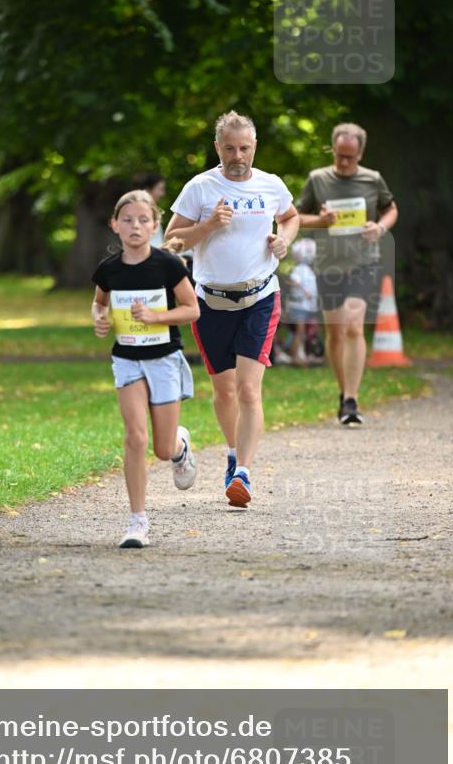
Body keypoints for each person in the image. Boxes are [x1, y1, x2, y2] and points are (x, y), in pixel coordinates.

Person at [164, 110, 299, 508]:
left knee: (247, 389)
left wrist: (284, 240)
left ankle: (243, 471)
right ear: (217, 148)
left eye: (244, 148)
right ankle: (232, 452)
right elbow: (171, 242)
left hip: (260, 296)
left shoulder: (271, 185)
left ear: (254, 147)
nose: (237, 156)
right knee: (224, 392)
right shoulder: (200, 188)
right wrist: (207, 227)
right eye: (229, 148)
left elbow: (290, 218)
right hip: (210, 301)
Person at [91, 189, 200, 548]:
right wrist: (100, 319)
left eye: (143, 220)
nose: (135, 226)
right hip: (127, 359)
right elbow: (99, 303)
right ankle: (137, 521)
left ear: (154, 226)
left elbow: (191, 310)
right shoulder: (108, 270)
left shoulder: (168, 265)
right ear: (114, 225)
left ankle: (180, 446)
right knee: (135, 437)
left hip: (164, 358)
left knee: (162, 449)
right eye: (127, 220)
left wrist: (156, 317)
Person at [296, 122, 398, 425]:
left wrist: (379, 227)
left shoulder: (372, 180)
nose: (343, 162)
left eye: (350, 158)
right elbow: (295, 217)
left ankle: (352, 400)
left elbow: (391, 209)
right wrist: (321, 220)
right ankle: (343, 392)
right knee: (336, 332)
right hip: (329, 265)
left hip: (364, 261)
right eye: (339, 155)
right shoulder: (317, 179)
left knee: (354, 324)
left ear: (361, 154)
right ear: (333, 150)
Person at [286, 238, 319, 367]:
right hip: (299, 305)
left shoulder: (305, 268)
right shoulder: (300, 269)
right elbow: (292, 280)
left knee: (301, 332)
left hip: (305, 306)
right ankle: (295, 357)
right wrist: (304, 291)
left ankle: (298, 355)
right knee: (299, 332)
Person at [132, 171, 166, 247]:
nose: (163, 194)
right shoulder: (138, 210)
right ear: (148, 190)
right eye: (160, 189)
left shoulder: (151, 209)